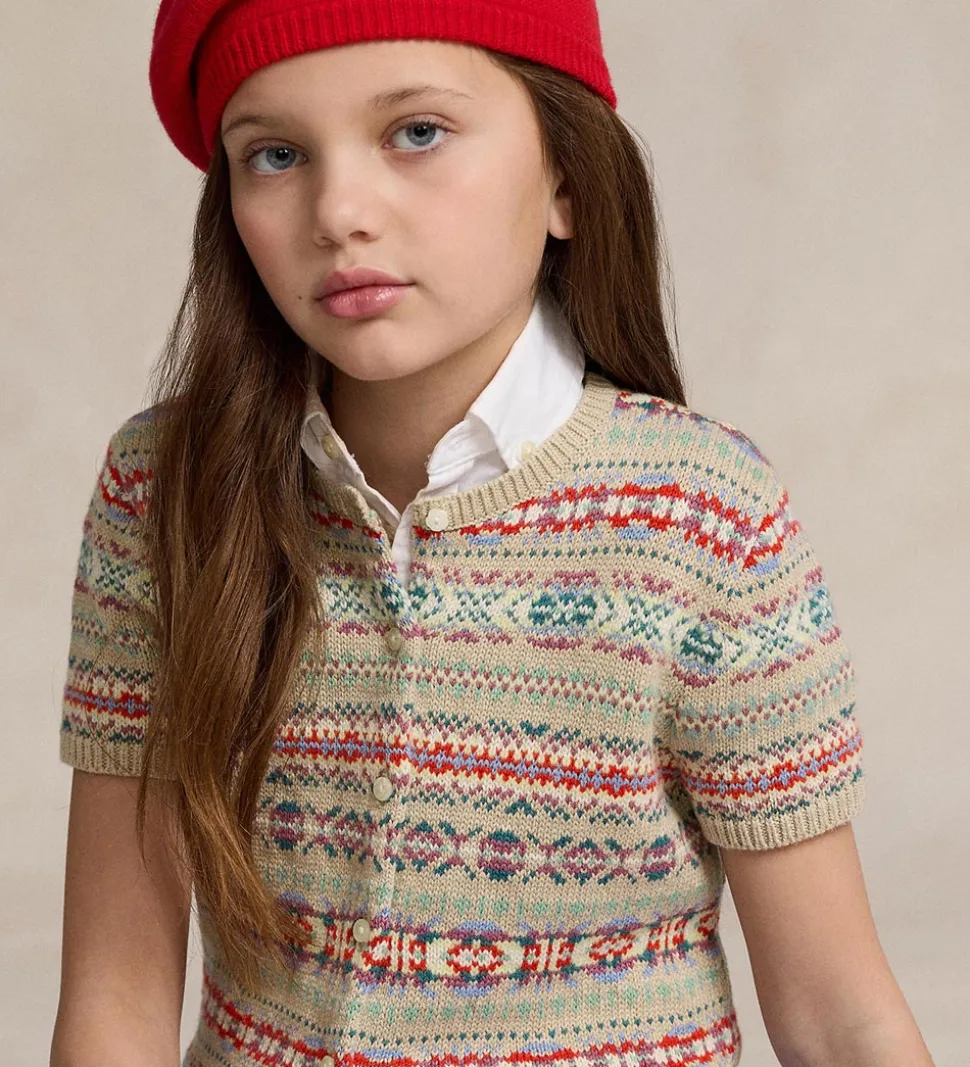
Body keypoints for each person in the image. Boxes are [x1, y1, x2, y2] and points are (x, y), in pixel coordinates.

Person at [51, 2, 935, 1066]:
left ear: (564, 176)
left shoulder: (702, 516)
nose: (339, 212)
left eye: (416, 132)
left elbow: (837, 1014)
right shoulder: (168, 495)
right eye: (274, 155)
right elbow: (115, 992)